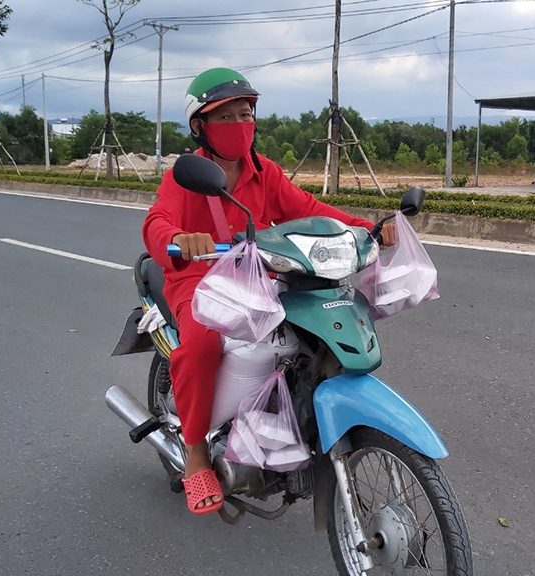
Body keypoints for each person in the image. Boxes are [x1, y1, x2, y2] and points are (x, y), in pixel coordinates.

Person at [142, 68, 395, 515]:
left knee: (308, 324)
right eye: (226, 117)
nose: (240, 125)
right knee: (200, 344)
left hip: (259, 276)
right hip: (200, 281)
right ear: (200, 126)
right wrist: (181, 240)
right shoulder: (185, 176)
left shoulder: (264, 172)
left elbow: (309, 209)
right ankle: (197, 452)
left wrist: (363, 227)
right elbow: (156, 223)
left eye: (246, 114)